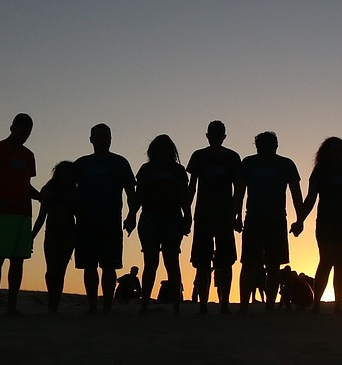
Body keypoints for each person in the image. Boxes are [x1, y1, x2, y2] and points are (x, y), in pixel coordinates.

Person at [233, 131, 303, 314]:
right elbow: (239, 192)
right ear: (257, 146)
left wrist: (300, 219)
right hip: (254, 218)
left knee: (273, 265)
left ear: (276, 146)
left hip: (276, 219)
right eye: (262, 145)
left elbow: (296, 194)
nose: (266, 149)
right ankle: (243, 307)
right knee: (249, 263)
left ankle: (269, 308)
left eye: (269, 145)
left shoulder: (286, 164)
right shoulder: (248, 163)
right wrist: (237, 215)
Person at [74, 123, 137, 314]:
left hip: (111, 222)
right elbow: (68, 189)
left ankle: (107, 307)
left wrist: (132, 215)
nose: (102, 139)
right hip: (86, 222)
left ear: (110, 139)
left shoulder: (120, 162)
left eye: (105, 136)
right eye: (98, 136)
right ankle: (93, 306)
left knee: (109, 266)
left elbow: (130, 191)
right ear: (91, 139)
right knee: (89, 266)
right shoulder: (81, 164)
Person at [0, 113, 39, 317]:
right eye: (21, 130)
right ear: (12, 127)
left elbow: (27, 184)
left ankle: (11, 306)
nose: (24, 135)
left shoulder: (28, 154)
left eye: (28, 132)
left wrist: (40, 197)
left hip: (23, 212)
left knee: (18, 259)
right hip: (2, 213)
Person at [295, 137, 342, 314]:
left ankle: (337, 305)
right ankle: (316, 304)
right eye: (333, 150)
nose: (337, 153)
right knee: (325, 262)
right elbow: (310, 198)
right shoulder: (320, 172)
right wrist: (300, 219)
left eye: (340, 150)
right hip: (326, 222)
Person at [129, 135, 192, 314]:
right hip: (149, 219)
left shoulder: (178, 171)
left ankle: (176, 306)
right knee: (150, 263)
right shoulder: (146, 170)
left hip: (172, 219)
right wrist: (131, 215)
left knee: (172, 262)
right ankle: (144, 305)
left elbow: (183, 197)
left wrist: (187, 217)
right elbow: (138, 196)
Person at [187, 120, 241, 314]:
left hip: (224, 217)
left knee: (226, 262)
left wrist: (236, 215)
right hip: (203, 215)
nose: (216, 138)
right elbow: (191, 187)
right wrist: (187, 213)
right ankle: (203, 305)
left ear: (224, 136)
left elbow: (239, 189)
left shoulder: (233, 158)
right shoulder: (199, 156)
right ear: (207, 136)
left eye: (219, 134)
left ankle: (224, 304)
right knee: (202, 262)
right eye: (213, 134)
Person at [31, 161, 77, 313]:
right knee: (51, 270)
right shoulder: (50, 189)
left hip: (69, 233)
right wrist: (32, 235)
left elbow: (80, 214)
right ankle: (52, 300)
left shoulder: (74, 191)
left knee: (60, 270)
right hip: (52, 232)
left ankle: (54, 304)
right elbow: (42, 215)